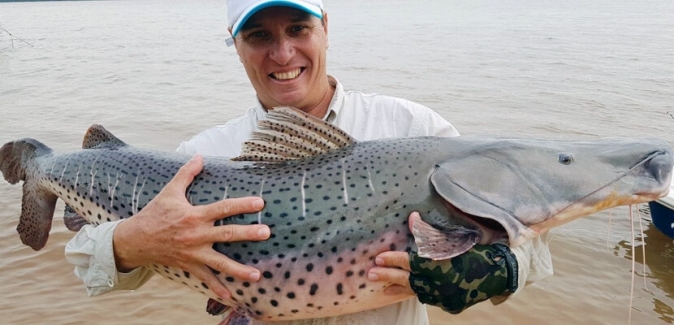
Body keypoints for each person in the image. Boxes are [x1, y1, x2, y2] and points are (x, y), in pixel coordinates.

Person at [65, 0, 553, 324]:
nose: (283, 53)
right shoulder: (201, 157)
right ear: (235, 45)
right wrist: (134, 242)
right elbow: (91, 270)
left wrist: (502, 270)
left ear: (325, 30)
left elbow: (528, 230)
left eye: (298, 29)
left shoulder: (413, 128)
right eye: (258, 35)